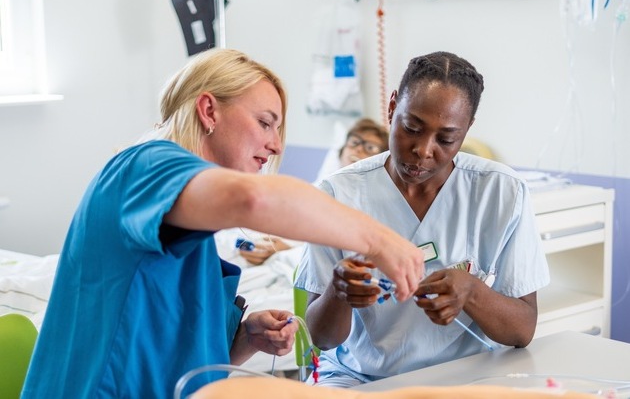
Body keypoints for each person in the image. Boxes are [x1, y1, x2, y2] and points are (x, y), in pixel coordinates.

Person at [21, 49, 424, 398]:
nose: (276, 145)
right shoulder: (145, 165)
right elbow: (253, 199)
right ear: (209, 110)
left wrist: (247, 338)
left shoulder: (192, 231)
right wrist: (379, 240)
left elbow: (189, 361)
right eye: (265, 122)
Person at [294, 51, 550, 387]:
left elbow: (521, 331)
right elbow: (322, 338)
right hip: (358, 377)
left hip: (464, 378)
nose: (423, 150)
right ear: (392, 108)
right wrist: (338, 292)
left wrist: (472, 291)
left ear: (467, 129)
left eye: (446, 139)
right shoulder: (338, 194)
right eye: (411, 128)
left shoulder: (501, 192)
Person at [236, 118, 389, 266]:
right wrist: (257, 246)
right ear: (341, 151)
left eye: (370, 148)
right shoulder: (313, 191)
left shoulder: (372, 206)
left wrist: (286, 247)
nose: (359, 149)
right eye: (354, 142)